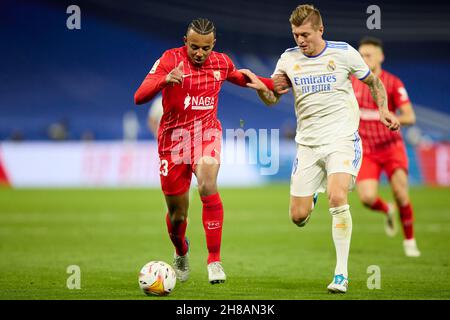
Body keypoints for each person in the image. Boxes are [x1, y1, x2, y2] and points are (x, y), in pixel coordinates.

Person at [240, 4, 399, 293]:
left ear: (320, 30)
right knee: (298, 217)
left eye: (305, 34)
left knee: (338, 197)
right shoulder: (288, 59)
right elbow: (274, 98)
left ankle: (341, 274)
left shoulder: (344, 52)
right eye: (295, 34)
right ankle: (311, 195)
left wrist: (384, 109)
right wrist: (262, 90)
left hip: (341, 139)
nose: (300, 40)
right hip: (308, 145)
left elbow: (373, 82)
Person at [134, 18, 275, 284]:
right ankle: (181, 251)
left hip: (206, 136)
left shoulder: (221, 62)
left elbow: (243, 78)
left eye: (206, 48)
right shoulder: (168, 60)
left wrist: (276, 83)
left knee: (208, 185)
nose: (200, 53)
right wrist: (164, 80)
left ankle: (214, 261)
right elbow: (139, 96)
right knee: (178, 216)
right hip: (172, 143)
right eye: (194, 47)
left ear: (214, 45)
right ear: (185, 42)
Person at [351, 37, 420, 257]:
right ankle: (387, 210)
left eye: (368, 55)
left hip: (391, 147)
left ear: (381, 57)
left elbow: (410, 116)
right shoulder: (352, 83)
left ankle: (410, 241)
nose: (364, 59)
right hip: (367, 150)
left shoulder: (392, 83)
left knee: (401, 193)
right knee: (367, 198)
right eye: (361, 55)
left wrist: (393, 117)